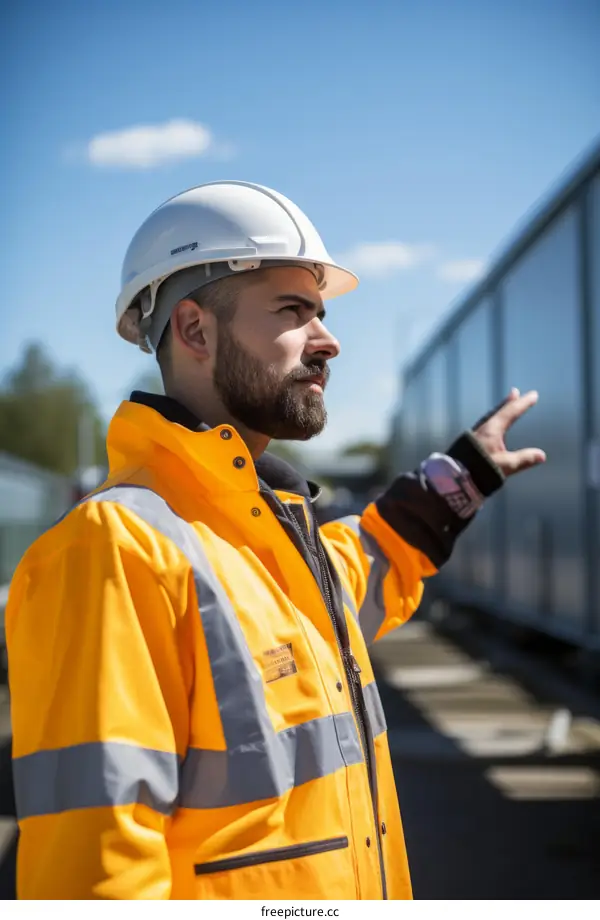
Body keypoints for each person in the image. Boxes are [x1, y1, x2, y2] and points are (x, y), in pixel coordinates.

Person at [5, 181, 545, 900]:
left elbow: (356, 576)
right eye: (294, 312)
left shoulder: (271, 534)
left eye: (319, 312)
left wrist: (457, 482)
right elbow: (96, 872)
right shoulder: (114, 549)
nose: (329, 340)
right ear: (195, 331)